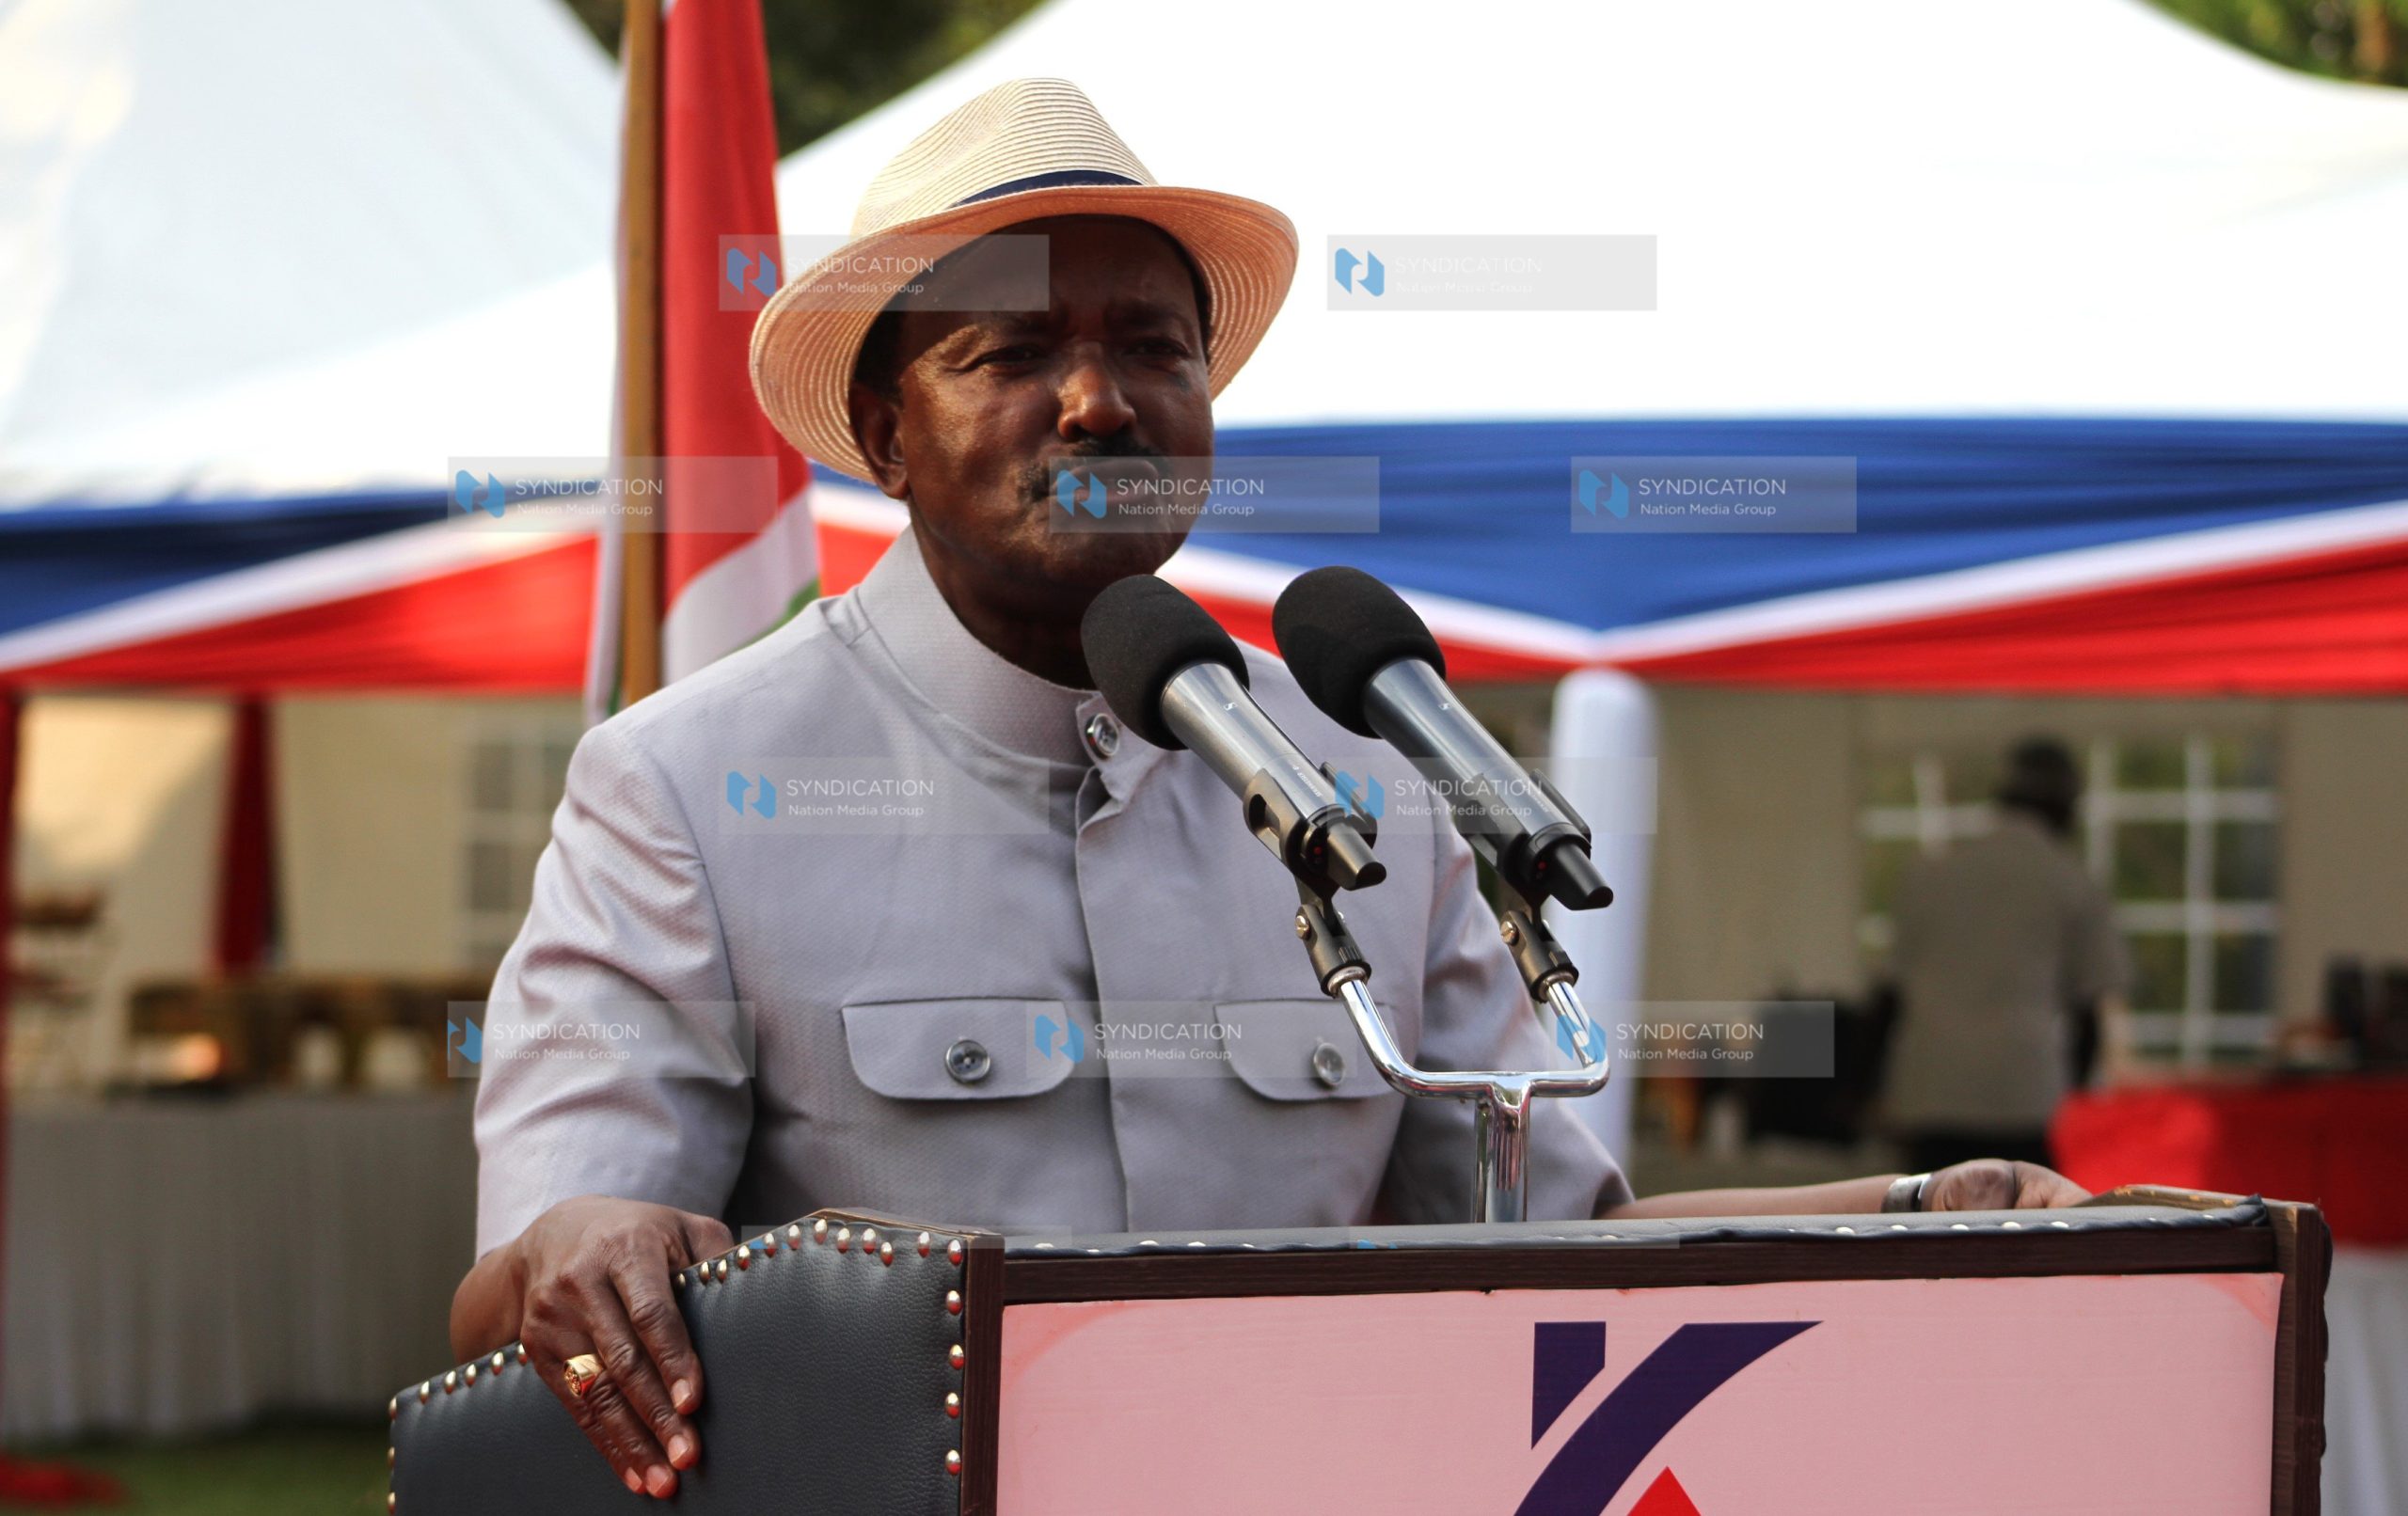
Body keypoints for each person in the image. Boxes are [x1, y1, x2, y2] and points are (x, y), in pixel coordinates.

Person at [450, 79, 2093, 1500]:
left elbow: (1555, 1231)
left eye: (1152, 346)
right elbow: (530, 1279)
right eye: (1011, 350)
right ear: (884, 428)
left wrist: (1917, 1207)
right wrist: (581, 1242)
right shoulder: (685, 782)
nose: (1098, 399)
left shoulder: (1374, 772)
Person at [1883, 735, 2134, 1174]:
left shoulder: (1932, 872)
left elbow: (1891, 995)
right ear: (2066, 803)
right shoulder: (2069, 879)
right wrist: (2076, 1102)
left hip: (1931, 1089)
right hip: (2022, 1094)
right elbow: (2089, 1007)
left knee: (1927, 1233)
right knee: (2018, 1232)